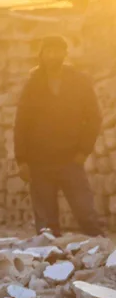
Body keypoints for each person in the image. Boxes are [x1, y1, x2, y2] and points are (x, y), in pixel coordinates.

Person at [14, 35, 104, 234]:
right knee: (46, 225)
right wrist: (21, 160)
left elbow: (94, 118)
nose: (53, 56)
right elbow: (21, 123)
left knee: (86, 215)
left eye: (58, 51)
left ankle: (105, 261)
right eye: (49, 51)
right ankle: (53, 264)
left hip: (71, 160)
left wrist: (84, 150)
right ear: (42, 55)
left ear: (65, 54)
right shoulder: (32, 84)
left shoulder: (79, 81)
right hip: (39, 163)